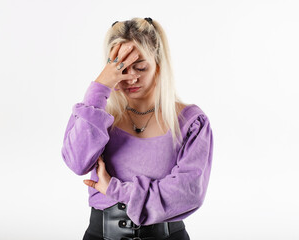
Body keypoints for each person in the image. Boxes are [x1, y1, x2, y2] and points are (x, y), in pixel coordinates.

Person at [61, 17, 214, 240]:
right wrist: (99, 87)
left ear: (159, 63)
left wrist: (116, 189)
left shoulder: (191, 121)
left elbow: (188, 194)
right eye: (120, 68)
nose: (131, 77)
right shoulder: (97, 115)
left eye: (140, 67)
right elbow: (76, 163)